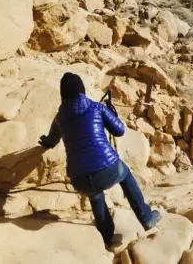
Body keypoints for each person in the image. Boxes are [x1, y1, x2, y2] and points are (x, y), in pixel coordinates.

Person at [39, 72, 161, 246]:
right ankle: (146, 217)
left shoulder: (59, 118)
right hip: (108, 168)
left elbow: (51, 141)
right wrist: (110, 113)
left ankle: (106, 236)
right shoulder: (96, 107)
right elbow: (119, 130)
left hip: (79, 179)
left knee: (95, 196)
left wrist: (44, 141)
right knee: (125, 175)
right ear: (82, 90)